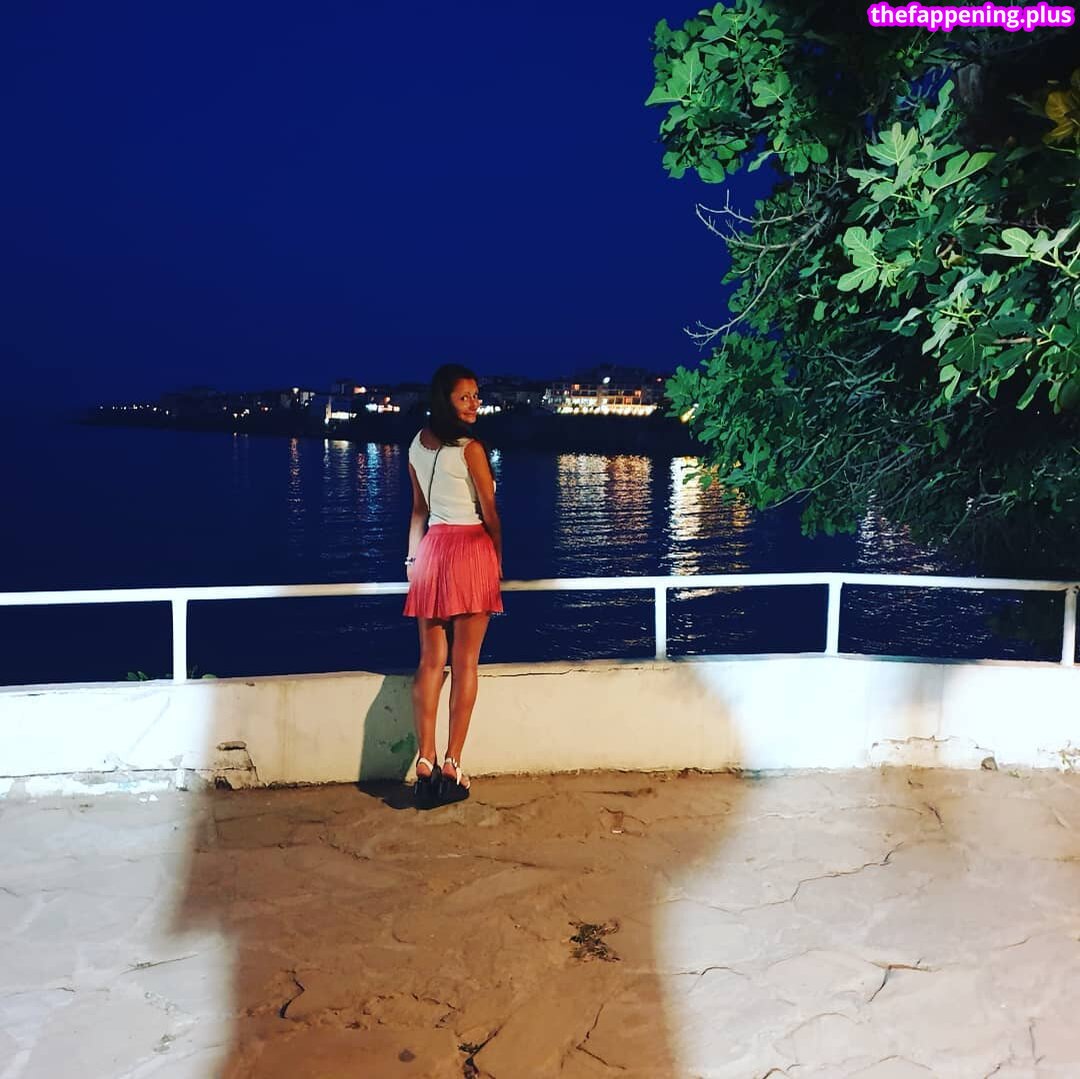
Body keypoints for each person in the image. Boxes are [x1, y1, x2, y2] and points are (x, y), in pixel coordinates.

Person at [402, 364, 503, 808]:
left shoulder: (416, 445)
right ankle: (452, 764)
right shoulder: (471, 449)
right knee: (465, 664)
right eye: (465, 397)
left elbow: (418, 511)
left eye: (477, 395)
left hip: (431, 554)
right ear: (446, 400)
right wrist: (497, 561)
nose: (475, 403)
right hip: (470, 552)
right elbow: (490, 514)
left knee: (430, 663)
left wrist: (412, 560)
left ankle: (423, 760)